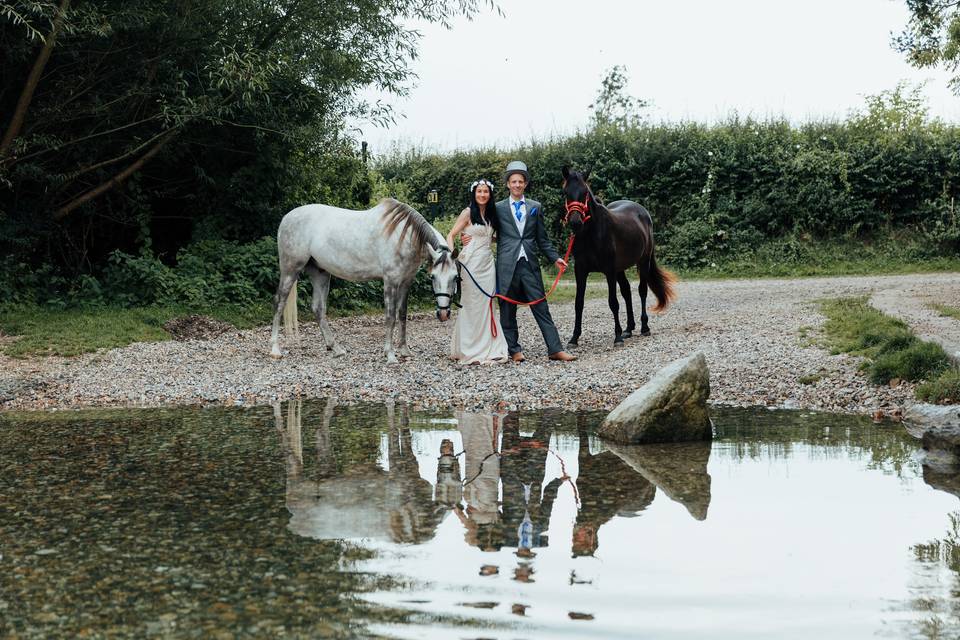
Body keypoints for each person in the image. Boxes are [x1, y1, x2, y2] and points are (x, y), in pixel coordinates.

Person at [494, 160, 576, 362]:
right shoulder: (497, 208)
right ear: (508, 184)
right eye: (513, 181)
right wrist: (467, 236)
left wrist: (555, 258)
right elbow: (486, 229)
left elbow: (543, 239)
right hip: (506, 265)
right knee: (507, 309)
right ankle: (515, 351)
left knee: (541, 306)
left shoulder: (535, 207)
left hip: (529, 264)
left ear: (525, 184)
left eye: (520, 182)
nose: (517, 185)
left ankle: (555, 349)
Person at [447, 179, 509, 364]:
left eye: (486, 192)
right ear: (474, 193)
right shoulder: (467, 213)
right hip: (470, 263)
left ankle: (490, 347)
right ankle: (469, 349)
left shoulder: (492, 214)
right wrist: (453, 254)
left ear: (490, 194)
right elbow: (450, 234)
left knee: (487, 304)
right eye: (479, 191)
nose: (482, 195)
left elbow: (493, 237)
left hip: (487, 264)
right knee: (471, 304)